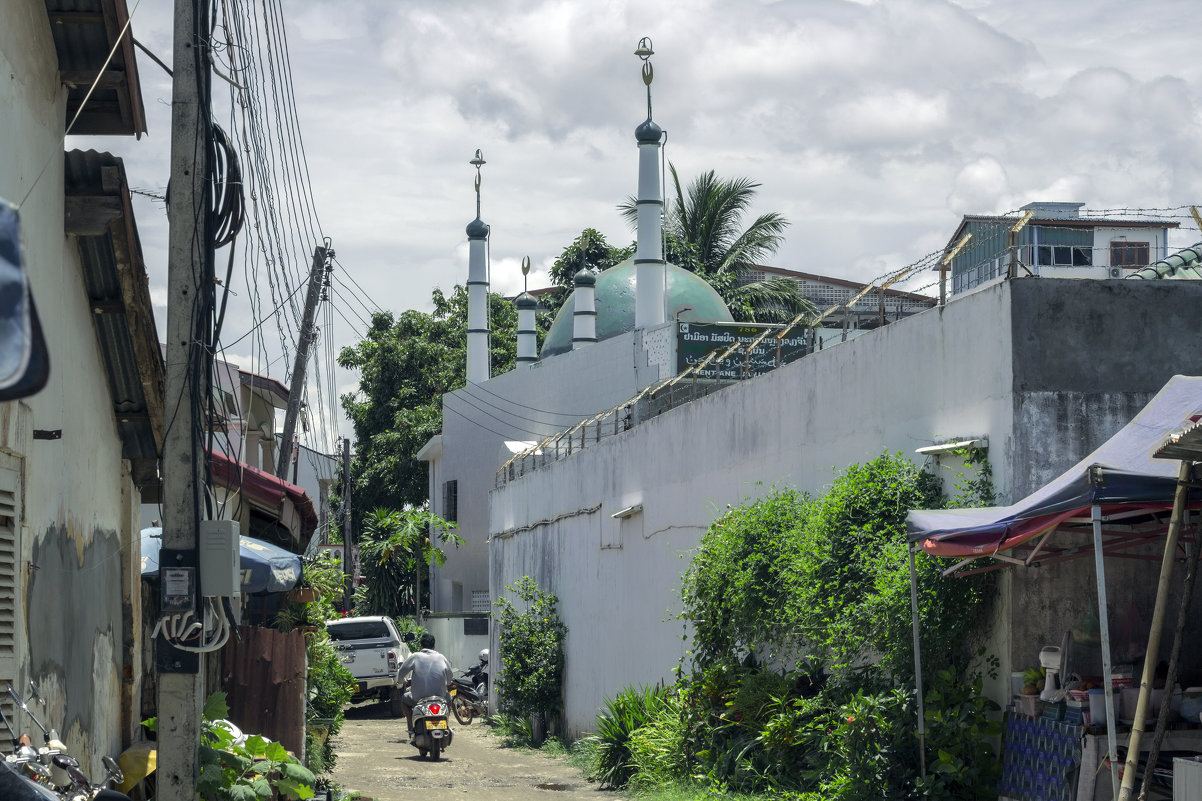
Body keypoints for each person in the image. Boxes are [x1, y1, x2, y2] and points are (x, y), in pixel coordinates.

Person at [395, 632, 453, 741]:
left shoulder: (415, 656)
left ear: (420, 646)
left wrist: (401, 682)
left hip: (419, 699)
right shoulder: (441, 657)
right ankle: (445, 722)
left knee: (404, 700)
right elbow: (450, 676)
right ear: (434, 647)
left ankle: (412, 726)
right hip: (439, 698)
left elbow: (402, 672)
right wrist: (447, 683)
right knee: (449, 698)